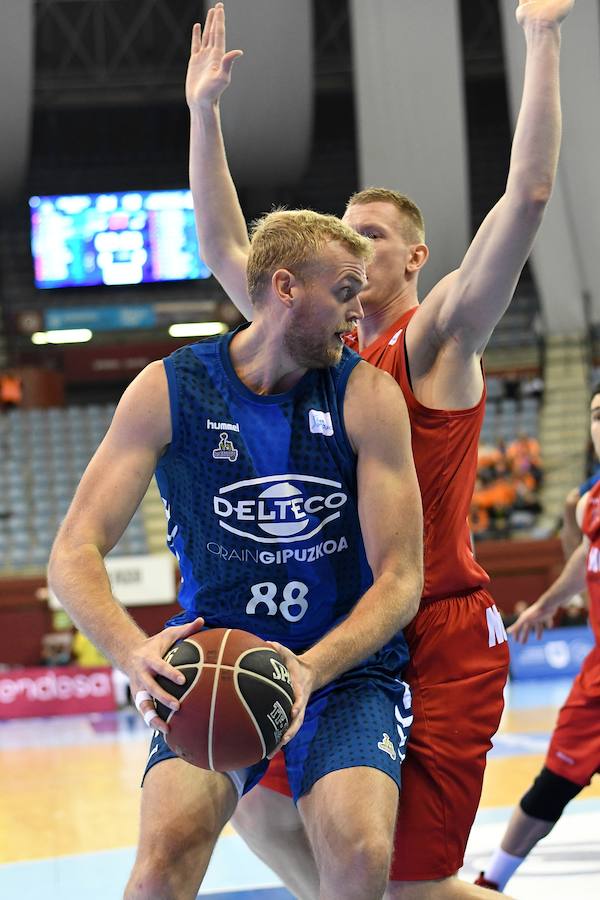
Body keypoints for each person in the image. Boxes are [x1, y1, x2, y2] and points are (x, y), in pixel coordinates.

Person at [185, 1, 572, 897]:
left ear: (417, 260)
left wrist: (543, 42)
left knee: (409, 885)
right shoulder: (317, 345)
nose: (352, 245)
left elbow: (529, 201)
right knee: (255, 802)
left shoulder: (437, 341)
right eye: (343, 234)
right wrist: (204, 114)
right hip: (343, 632)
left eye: (375, 236)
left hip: (434, 631)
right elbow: (223, 244)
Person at [48, 208, 424, 900]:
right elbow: (72, 552)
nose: (359, 309)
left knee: (360, 851)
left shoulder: (367, 395)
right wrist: (134, 655)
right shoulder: (170, 389)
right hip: (215, 660)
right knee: (164, 860)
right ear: (286, 287)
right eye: (344, 291)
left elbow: (402, 579)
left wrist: (310, 667)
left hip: (341, 669)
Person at [476, 384, 600, 891]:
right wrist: (548, 602)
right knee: (552, 784)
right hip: (596, 678)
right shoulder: (591, 502)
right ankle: (491, 882)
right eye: (596, 413)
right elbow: (585, 555)